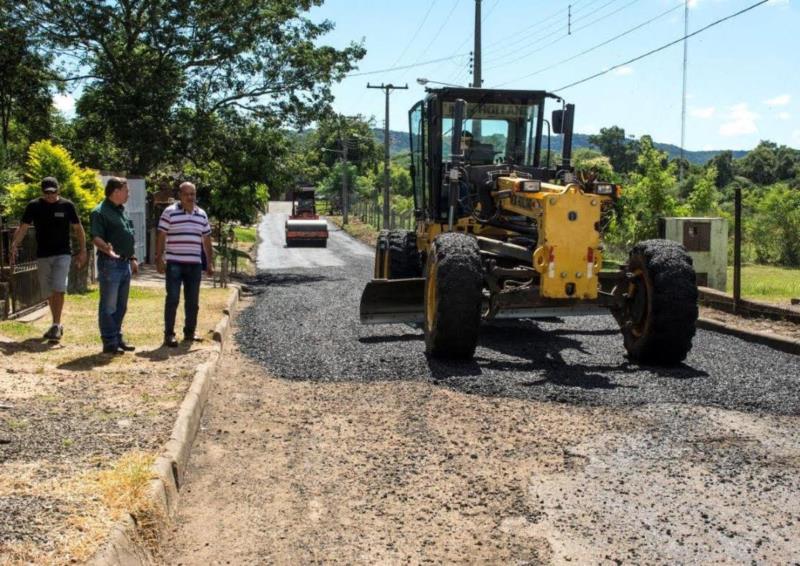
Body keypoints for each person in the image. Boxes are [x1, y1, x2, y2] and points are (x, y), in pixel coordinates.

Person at [8, 177, 87, 342]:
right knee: (48, 291)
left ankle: (56, 324)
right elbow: (23, 228)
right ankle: (55, 324)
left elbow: (78, 228)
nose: (50, 195)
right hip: (43, 254)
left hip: (63, 253)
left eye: (53, 191)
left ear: (59, 190)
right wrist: (15, 245)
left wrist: (83, 250)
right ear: (42, 192)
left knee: (58, 287)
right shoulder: (34, 206)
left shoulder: (67, 206)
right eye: (47, 192)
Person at [155, 181, 213, 347]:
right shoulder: (170, 212)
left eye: (192, 194)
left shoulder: (201, 214)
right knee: (172, 299)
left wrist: (210, 262)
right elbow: (161, 235)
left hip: (194, 264)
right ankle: (169, 334)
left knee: (193, 301)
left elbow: (206, 239)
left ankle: (190, 332)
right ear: (180, 195)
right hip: (174, 263)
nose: (190, 197)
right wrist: (159, 258)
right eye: (186, 194)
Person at [90, 177, 138, 355]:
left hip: (124, 262)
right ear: (116, 192)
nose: (128, 194)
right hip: (110, 263)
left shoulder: (121, 211)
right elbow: (95, 236)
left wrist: (132, 257)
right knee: (109, 305)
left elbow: (128, 235)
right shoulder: (100, 212)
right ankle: (109, 341)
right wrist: (105, 248)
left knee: (121, 305)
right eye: (126, 190)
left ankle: (117, 336)